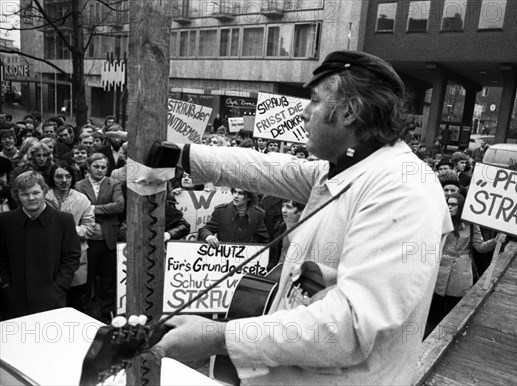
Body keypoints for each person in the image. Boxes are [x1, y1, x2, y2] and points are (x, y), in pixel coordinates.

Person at [137, 50, 452, 385]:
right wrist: (184, 154)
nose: (304, 112)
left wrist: (219, 336)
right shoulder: (350, 168)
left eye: (314, 101)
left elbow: (348, 328)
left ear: (350, 112)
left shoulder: (403, 190)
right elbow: (265, 168)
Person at [0, 171, 80, 320]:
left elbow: (72, 257)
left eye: (35, 192)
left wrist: (59, 286)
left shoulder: (63, 220)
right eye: (24, 194)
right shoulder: (5, 221)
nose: (31, 198)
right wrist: (6, 284)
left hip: (52, 298)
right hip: (14, 300)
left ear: (44, 191)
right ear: (17, 195)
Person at [427, 193, 504, 334]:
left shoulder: (471, 225)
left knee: (453, 309)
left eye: (454, 204)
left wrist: (495, 241)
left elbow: (480, 247)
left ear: (461, 207)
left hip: (460, 273)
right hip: (439, 269)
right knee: (434, 310)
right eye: (448, 204)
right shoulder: (440, 221)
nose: (449, 207)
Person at [75, 153, 124, 321]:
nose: (100, 170)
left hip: (108, 238)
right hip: (87, 239)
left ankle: (108, 313)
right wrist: (100, 209)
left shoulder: (114, 184)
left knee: (108, 279)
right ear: (88, 167)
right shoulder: (79, 185)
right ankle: (85, 313)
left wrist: (92, 209)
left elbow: (118, 206)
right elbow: (77, 208)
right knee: (86, 278)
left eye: (104, 167)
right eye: (96, 166)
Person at [45, 162, 95, 310]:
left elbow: (89, 229)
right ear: (52, 178)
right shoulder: (43, 198)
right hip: (48, 256)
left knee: (76, 301)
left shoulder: (82, 199)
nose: (64, 180)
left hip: (76, 255)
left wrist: (68, 229)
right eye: (59, 176)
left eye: (68, 176)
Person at [198, 188, 269, 247]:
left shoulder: (258, 214)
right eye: (235, 192)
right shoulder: (221, 211)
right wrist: (208, 236)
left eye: (240, 193)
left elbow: (265, 239)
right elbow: (204, 229)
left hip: (247, 259)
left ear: (249, 197)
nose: (236, 196)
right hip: (224, 257)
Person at [268, 200, 305, 269]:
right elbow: (274, 251)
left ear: (301, 211)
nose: (283, 210)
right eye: (282, 206)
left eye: (288, 207)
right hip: (278, 272)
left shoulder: (306, 230)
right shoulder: (281, 226)